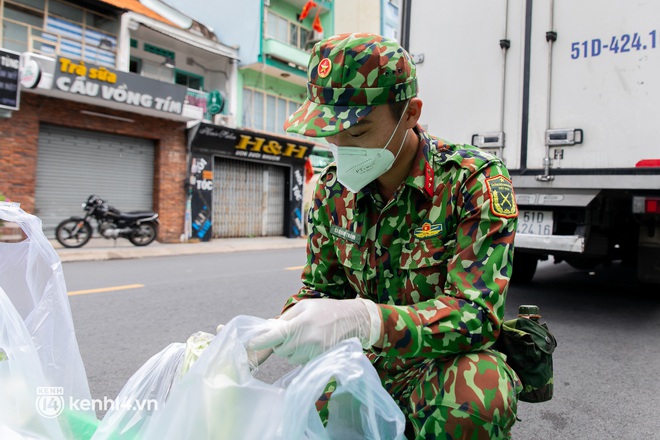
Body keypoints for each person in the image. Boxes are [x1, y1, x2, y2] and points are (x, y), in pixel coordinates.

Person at [249, 32, 522, 439]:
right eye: (329, 132)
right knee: (290, 420)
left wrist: (369, 319)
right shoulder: (331, 190)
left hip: (435, 368)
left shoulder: (472, 181)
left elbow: (477, 317)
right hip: (357, 366)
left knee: (477, 389)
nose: (340, 147)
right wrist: (267, 334)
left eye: (357, 133)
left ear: (410, 113)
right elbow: (320, 290)